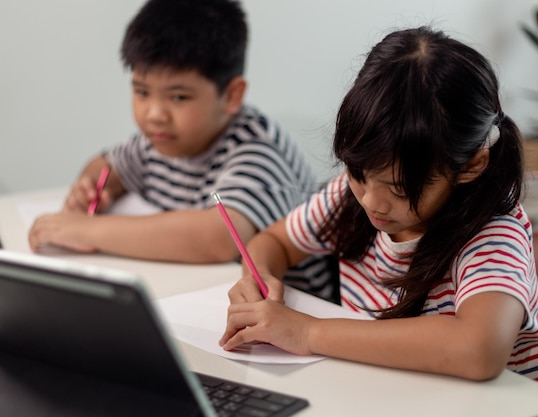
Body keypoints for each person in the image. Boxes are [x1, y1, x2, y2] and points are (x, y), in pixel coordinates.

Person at [219, 26, 538, 382]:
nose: (372, 201)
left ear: (470, 166)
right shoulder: (351, 194)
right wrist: (259, 275)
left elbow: (479, 350)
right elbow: (275, 242)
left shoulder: (494, 233)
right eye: (358, 172)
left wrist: (308, 332)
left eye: (400, 189)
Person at [28, 0, 335, 299]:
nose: (154, 114)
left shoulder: (259, 149)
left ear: (232, 95)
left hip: (297, 313)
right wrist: (92, 188)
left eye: (178, 97)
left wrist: (88, 230)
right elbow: (105, 166)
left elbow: (217, 238)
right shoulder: (159, 141)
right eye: (141, 92)